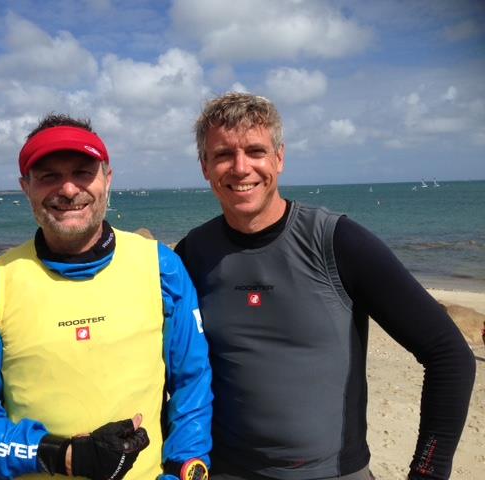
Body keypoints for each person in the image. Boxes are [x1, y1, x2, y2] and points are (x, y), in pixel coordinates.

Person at [175, 92, 475, 480]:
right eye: (222, 155)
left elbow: (449, 355)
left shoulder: (336, 241)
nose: (240, 167)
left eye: (255, 151)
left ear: (279, 158)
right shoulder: (193, 253)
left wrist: (427, 471)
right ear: (205, 167)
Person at [0, 114, 212, 480]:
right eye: (49, 176)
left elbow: (192, 383)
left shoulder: (161, 268)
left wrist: (183, 468)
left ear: (107, 180)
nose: (67, 189)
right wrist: (60, 455)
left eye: (83, 172)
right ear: (26, 187)